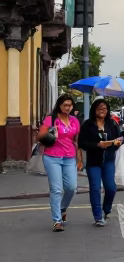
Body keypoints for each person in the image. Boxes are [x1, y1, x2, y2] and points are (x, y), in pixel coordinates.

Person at [36, 94, 81, 232]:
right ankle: (57, 220)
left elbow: (76, 141)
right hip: (52, 157)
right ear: (59, 105)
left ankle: (62, 208)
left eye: (70, 105)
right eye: (65, 105)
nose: (67, 108)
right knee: (56, 190)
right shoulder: (51, 119)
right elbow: (39, 136)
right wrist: (50, 134)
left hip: (69, 157)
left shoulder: (74, 121)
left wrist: (79, 159)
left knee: (72, 187)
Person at [78, 98, 123, 227]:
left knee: (111, 188)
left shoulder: (112, 124)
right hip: (93, 162)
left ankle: (106, 210)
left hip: (108, 161)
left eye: (104, 108)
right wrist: (97, 145)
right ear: (94, 110)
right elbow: (82, 143)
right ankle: (98, 217)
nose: (102, 110)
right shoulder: (87, 125)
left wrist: (116, 143)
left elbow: (120, 138)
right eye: (99, 108)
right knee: (95, 188)